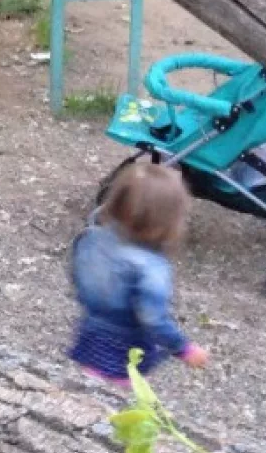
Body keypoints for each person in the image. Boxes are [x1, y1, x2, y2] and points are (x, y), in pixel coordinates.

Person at [69, 162, 208, 384]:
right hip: (126, 344)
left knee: (92, 380)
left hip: (90, 330)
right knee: (117, 392)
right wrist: (184, 348)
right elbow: (153, 319)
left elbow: (77, 276)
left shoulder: (91, 238)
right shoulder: (151, 267)